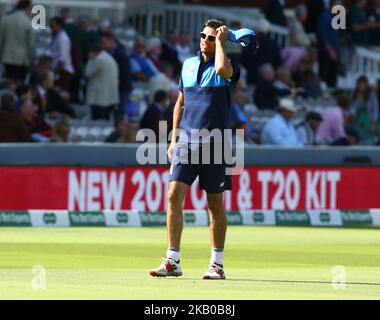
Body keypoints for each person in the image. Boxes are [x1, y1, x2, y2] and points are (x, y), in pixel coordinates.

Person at [149, 19, 240, 280]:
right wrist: (174, 138)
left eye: (211, 37)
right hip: (187, 142)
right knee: (172, 196)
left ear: (219, 41)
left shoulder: (229, 66)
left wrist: (222, 43)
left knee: (214, 206)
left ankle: (217, 264)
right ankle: (172, 260)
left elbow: (223, 69)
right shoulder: (188, 65)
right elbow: (180, 102)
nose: (205, 40)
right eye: (203, 35)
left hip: (216, 144)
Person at [0, 0, 35, 83]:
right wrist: (32, 59)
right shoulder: (27, 22)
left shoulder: (5, 19)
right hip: (22, 59)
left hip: (7, 57)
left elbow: (1, 40)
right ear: (28, 7)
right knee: (19, 83)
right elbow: (30, 44)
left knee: (8, 82)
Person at [101, 31, 133, 118]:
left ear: (112, 40)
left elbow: (123, 74)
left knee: (120, 114)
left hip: (122, 88)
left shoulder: (120, 54)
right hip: (116, 88)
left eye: (104, 43)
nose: (103, 45)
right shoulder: (111, 52)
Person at [84, 44, 119, 120]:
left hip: (100, 99)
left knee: (98, 120)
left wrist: (90, 60)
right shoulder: (108, 57)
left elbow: (88, 73)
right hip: (108, 97)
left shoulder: (99, 59)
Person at [317, 0, 341, 87]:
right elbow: (323, 37)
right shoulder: (325, 16)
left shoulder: (335, 17)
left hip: (335, 54)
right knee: (324, 80)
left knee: (332, 81)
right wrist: (331, 52)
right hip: (326, 54)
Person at [350, 75, 379, 142]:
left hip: (369, 120)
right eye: (359, 84)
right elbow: (351, 108)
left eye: (362, 84)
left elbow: (375, 109)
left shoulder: (371, 94)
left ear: (366, 85)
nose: (360, 86)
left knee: (370, 136)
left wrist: (374, 123)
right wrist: (351, 116)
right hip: (357, 120)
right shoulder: (354, 94)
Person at [50, 17, 75, 93]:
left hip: (63, 71)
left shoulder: (63, 38)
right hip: (59, 69)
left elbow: (62, 59)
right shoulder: (57, 36)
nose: (51, 28)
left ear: (59, 26)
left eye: (52, 26)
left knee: (60, 93)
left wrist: (55, 73)